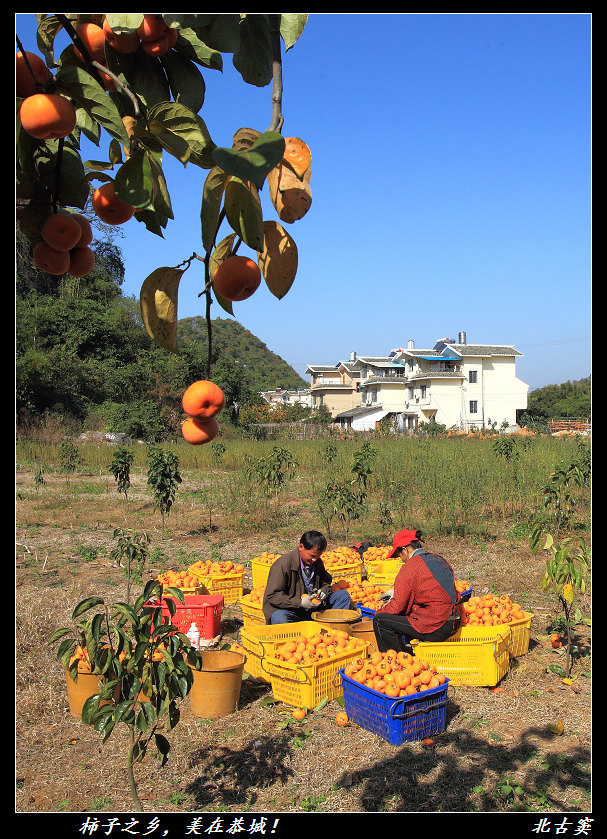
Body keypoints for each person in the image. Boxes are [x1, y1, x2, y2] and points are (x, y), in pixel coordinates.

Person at [372, 529, 461, 652]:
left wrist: (379, 612)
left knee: (381, 621)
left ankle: (394, 661)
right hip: (455, 620)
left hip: (438, 625)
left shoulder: (409, 568)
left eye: (399, 555)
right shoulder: (438, 559)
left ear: (405, 550)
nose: (400, 559)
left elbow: (397, 607)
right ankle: (408, 653)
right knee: (410, 611)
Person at [262, 530, 353, 624]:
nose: (314, 559)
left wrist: (323, 591)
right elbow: (273, 595)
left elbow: (326, 581)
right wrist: (300, 603)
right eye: (312, 556)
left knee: (343, 596)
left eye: (317, 556)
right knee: (279, 617)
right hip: (292, 610)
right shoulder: (282, 566)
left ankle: (330, 628)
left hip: (314, 608)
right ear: (301, 547)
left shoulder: (316, 562)